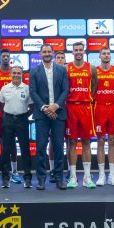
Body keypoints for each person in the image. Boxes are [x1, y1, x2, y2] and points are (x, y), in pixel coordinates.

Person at [29, 44, 69, 190]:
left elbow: (66, 90)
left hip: (59, 113)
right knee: (40, 148)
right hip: (41, 114)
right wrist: (45, 108)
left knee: (59, 147)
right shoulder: (34, 71)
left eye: (48, 51)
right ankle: (41, 179)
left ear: (52, 53)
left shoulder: (62, 70)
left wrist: (55, 106)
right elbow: (33, 92)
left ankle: (59, 178)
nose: (46, 53)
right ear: (40, 54)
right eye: (44, 51)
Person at [65, 42, 97, 189]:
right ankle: (72, 176)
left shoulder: (91, 67)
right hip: (71, 107)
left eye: (80, 50)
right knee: (71, 142)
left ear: (84, 51)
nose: (78, 52)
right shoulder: (67, 67)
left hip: (85, 108)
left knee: (86, 142)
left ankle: (87, 176)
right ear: (72, 52)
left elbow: (94, 86)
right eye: (75, 50)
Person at [0, 48, 22, 186]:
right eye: (3, 56)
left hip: (10, 113)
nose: (5, 58)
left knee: (12, 144)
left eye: (7, 56)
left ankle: (14, 172)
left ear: (10, 58)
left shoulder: (14, 71)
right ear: (0, 57)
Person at [0, 66, 34, 188]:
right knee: (6, 150)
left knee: (25, 150)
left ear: (22, 75)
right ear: (10, 74)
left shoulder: (27, 88)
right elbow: (1, 104)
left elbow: (32, 107)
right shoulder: (4, 88)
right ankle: (5, 178)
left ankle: (28, 178)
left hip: (22, 120)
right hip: (7, 120)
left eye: (19, 73)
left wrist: (24, 116)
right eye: (14, 73)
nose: (16, 75)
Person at [93, 47, 114, 186]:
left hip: (113, 107)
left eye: (108, 54)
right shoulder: (95, 70)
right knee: (100, 140)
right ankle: (101, 175)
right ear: (99, 56)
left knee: (112, 140)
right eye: (103, 54)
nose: (106, 56)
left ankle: (112, 174)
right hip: (99, 107)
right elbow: (92, 89)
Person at [49, 50, 68, 183]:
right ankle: (52, 169)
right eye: (58, 58)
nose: (60, 60)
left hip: (66, 111)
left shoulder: (67, 72)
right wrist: (52, 108)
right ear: (55, 59)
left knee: (66, 142)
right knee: (52, 142)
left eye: (62, 58)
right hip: (51, 111)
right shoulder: (51, 72)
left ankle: (66, 170)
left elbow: (66, 91)